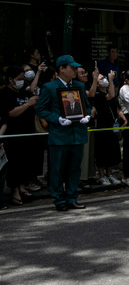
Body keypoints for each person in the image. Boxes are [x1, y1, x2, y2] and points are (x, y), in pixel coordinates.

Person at [35, 55, 91, 211]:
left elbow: (87, 106)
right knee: (57, 168)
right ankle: (59, 199)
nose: (75, 70)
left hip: (77, 133)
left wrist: (87, 115)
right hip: (59, 135)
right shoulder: (49, 87)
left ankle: (72, 197)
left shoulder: (79, 86)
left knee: (75, 168)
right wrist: (57, 119)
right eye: (71, 67)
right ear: (61, 68)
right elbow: (41, 109)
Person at [0, 66, 39, 205]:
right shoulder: (5, 94)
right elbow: (10, 114)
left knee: (24, 163)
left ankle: (22, 187)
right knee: (14, 164)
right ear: (10, 79)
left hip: (27, 134)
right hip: (12, 136)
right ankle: (14, 191)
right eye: (19, 79)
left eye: (23, 79)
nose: (21, 82)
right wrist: (28, 104)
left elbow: (32, 95)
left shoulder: (24, 92)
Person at [91, 70, 122, 185]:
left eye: (104, 77)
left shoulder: (109, 92)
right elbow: (111, 95)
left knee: (112, 150)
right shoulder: (97, 95)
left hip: (111, 125)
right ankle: (102, 175)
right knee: (102, 151)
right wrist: (110, 79)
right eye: (101, 78)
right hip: (101, 126)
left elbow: (115, 104)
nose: (104, 79)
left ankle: (110, 174)